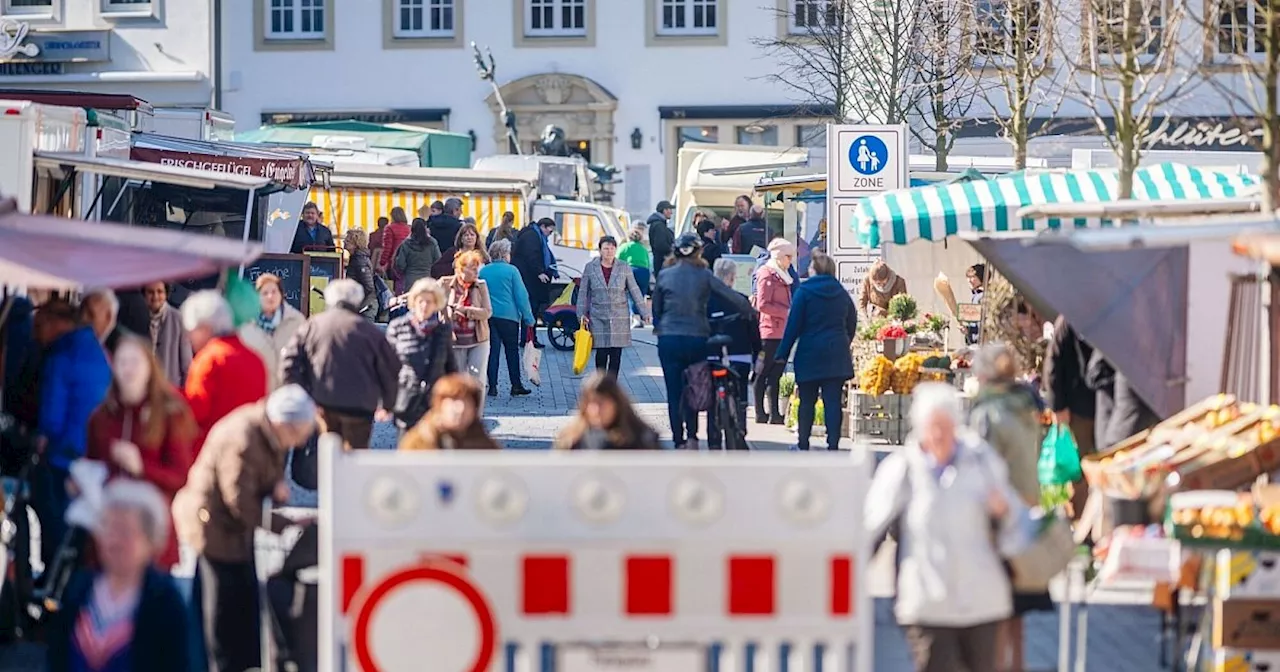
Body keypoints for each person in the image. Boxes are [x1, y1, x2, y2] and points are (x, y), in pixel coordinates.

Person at [864, 383, 1030, 672]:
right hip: (927, 601)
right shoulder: (902, 469)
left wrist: (1004, 512)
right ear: (919, 428)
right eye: (932, 427)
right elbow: (870, 528)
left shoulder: (981, 461)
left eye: (945, 426)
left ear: (956, 425)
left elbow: (1017, 523)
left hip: (983, 601)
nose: (939, 435)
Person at [173, 385, 317, 672]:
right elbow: (239, 500)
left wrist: (272, 489)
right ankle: (222, 664)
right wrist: (283, 523)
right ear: (284, 424)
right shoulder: (243, 438)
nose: (300, 443)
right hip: (213, 527)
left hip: (231, 527)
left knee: (240, 596)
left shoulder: (267, 432)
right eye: (300, 434)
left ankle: (234, 662)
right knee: (223, 604)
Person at [46, 480, 189, 672]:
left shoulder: (164, 600)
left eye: (125, 532)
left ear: (151, 541)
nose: (114, 540)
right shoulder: (80, 588)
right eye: (107, 528)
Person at [968, 343, 1050, 672]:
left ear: (984, 374)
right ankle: (1017, 665)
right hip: (1029, 508)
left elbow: (979, 469)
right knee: (1017, 609)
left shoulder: (988, 412)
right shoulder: (1026, 405)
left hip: (1002, 516)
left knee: (996, 607)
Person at [86, 336, 197, 570]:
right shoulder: (103, 415)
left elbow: (180, 476)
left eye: (135, 362)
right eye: (122, 362)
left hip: (151, 531)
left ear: (149, 367)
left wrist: (142, 467)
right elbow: (93, 462)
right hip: (109, 530)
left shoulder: (170, 413)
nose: (128, 369)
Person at [653, 233, 754, 450]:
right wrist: (748, 310)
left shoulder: (664, 275)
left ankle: (678, 439)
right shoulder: (704, 275)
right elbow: (731, 296)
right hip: (697, 339)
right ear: (699, 253)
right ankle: (692, 436)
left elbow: (657, 310)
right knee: (694, 385)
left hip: (669, 339)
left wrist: (661, 327)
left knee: (674, 391)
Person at [32, 299, 112, 569]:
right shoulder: (98, 351)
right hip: (92, 452)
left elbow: (52, 418)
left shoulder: (61, 355)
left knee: (55, 519)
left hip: (63, 454)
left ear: (58, 324)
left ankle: (53, 577)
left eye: (40, 325)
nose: (36, 333)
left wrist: (41, 440)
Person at [280, 279, 400, 451]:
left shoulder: (313, 326)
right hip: (361, 406)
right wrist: (388, 404)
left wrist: (300, 394)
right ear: (357, 300)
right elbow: (390, 369)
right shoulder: (370, 332)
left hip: (322, 403)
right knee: (355, 457)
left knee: (325, 456)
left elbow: (289, 362)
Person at [775, 250, 856, 449]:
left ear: (814, 269)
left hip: (809, 352)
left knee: (807, 400)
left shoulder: (805, 292)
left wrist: (782, 354)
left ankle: (803, 443)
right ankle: (833, 444)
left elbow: (793, 326)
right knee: (833, 401)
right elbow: (852, 321)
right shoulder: (841, 293)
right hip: (836, 352)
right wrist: (844, 341)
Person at [181, 291, 269, 453]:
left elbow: (195, 411)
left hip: (211, 453)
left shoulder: (208, 359)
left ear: (205, 328)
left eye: (191, 331)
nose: (188, 338)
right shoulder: (256, 360)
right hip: (250, 452)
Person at [385, 278, 459, 430]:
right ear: (414, 302)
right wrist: (384, 401)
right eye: (421, 301)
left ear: (436, 304)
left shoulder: (442, 331)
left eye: (429, 302)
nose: (424, 306)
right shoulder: (398, 327)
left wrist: (454, 397)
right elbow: (386, 367)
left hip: (435, 401)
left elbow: (451, 367)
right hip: (407, 399)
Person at [707, 259, 761, 450]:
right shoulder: (740, 299)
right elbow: (753, 330)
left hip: (712, 356)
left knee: (711, 397)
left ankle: (713, 438)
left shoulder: (705, 300)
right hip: (740, 355)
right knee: (740, 393)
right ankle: (740, 431)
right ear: (731, 278)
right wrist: (757, 355)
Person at [578, 236, 649, 377]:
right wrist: (581, 314)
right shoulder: (590, 268)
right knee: (601, 353)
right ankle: (600, 384)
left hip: (619, 317)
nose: (609, 252)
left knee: (616, 355)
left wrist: (644, 312)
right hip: (598, 316)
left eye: (612, 248)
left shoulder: (624, 267)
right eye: (606, 248)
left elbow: (634, 290)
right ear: (600, 250)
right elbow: (583, 292)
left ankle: (611, 387)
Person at [478, 240, 534, 397]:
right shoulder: (512, 271)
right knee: (512, 351)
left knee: (492, 351)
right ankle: (516, 385)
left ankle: (493, 386)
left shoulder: (484, 271)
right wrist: (529, 318)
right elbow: (521, 296)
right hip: (509, 317)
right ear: (504, 254)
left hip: (489, 316)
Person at [554, 372, 661, 450]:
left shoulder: (641, 438)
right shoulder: (573, 439)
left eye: (601, 403)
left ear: (616, 403)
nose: (595, 410)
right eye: (590, 404)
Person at [441, 250, 494, 405]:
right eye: (471, 268)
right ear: (460, 269)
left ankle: (475, 418)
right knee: (457, 380)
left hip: (478, 339)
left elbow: (487, 312)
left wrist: (467, 311)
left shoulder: (481, 285)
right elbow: (435, 303)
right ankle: (459, 417)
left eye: (476, 268)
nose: (474, 272)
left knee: (477, 379)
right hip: (455, 339)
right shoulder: (446, 284)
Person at [238, 273, 306, 391]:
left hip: (286, 393)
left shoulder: (297, 321)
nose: (270, 296)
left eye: (274, 292)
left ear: (281, 294)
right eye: (265, 293)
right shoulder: (246, 325)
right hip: (256, 392)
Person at [399, 374, 501, 451]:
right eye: (453, 402)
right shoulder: (418, 442)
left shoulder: (485, 446)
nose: (460, 409)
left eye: (466, 404)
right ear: (439, 406)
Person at [753, 238, 795, 425]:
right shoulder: (767, 274)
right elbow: (762, 304)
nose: (790, 260)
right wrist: (785, 312)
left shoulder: (782, 274)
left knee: (776, 374)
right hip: (769, 332)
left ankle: (775, 413)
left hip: (782, 332)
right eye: (788, 256)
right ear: (779, 256)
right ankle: (760, 413)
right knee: (762, 373)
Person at [513, 218, 559, 346]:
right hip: (530, 279)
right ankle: (528, 339)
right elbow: (532, 256)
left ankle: (529, 338)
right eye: (550, 229)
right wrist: (540, 272)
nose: (551, 233)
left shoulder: (535, 235)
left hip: (530, 278)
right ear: (543, 226)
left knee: (532, 309)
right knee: (531, 309)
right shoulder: (532, 237)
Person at [141, 281, 192, 387]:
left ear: (166, 294)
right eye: (150, 292)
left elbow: (186, 362)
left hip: (170, 387)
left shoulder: (178, 318)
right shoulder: (136, 316)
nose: (155, 296)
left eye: (160, 292)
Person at [617, 226, 652, 329]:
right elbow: (648, 262)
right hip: (644, 272)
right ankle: (642, 317)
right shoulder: (643, 249)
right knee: (640, 296)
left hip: (631, 270)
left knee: (631, 295)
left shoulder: (624, 247)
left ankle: (636, 319)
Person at [395, 218, 442, 290]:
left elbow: (401, 264)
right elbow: (438, 259)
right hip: (427, 278)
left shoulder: (406, 244)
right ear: (425, 228)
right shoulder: (432, 242)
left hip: (410, 279)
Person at [342, 228, 379, 319]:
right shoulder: (356, 258)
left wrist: (356, 299)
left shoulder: (359, 260)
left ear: (356, 243)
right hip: (363, 306)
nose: (344, 241)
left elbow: (369, 286)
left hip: (365, 307)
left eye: (348, 240)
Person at [81, 287, 126, 354]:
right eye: (81, 311)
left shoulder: (122, 347)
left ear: (109, 316)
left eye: (91, 314)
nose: (83, 318)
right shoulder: (81, 338)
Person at [381, 207, 412, 278]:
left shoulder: (389, 228)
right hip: (408, 260)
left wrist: (382, 262)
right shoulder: (409, 228)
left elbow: (387, 248)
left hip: (394, 261)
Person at [647, 200, 675, 281]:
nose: (671, 212)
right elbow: (660, 245)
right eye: (670, 209)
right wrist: (673, 250)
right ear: (664, 210)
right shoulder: (659, 226)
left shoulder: (659, 224)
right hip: (662, 263)